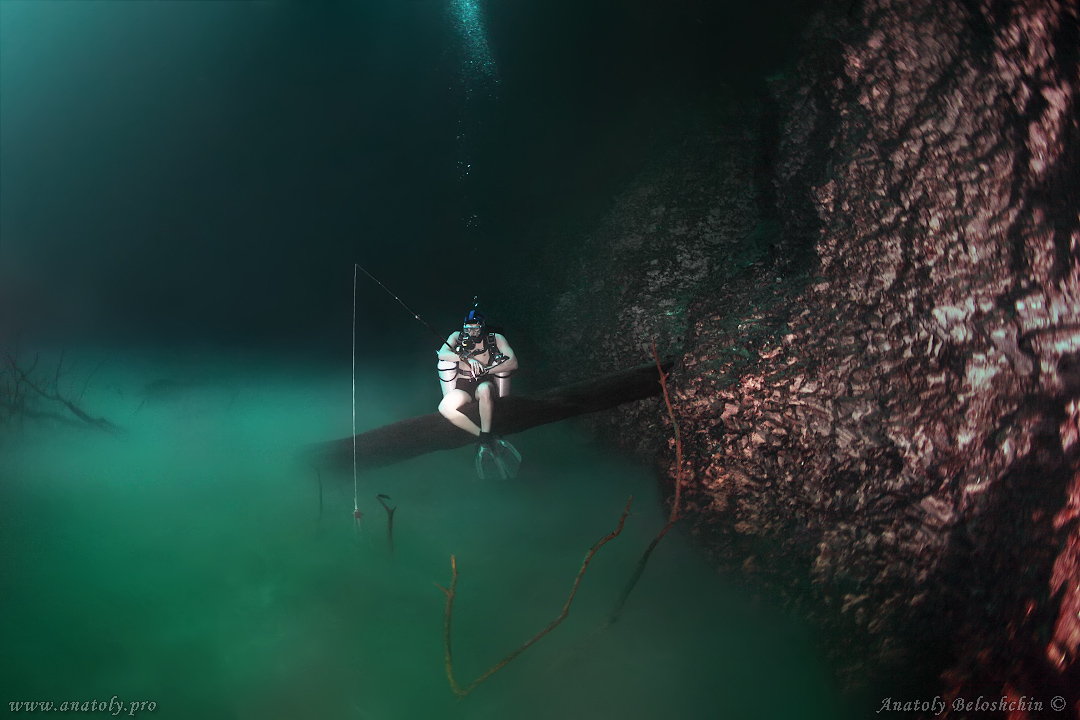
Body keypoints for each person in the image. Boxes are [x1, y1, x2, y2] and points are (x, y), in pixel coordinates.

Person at [436, 308, 521, 478]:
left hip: (483, 382)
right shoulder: (456, 337)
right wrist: (466, 358)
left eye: (475, 328)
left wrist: (488, 368)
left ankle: (486, 434)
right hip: (463, 385)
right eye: (468, 328)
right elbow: (443, 354)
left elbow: (513, 362)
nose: (471, 332)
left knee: (484, 390)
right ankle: (484, 437)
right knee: (444, 408)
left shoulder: (495, 338)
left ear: (482, 326)